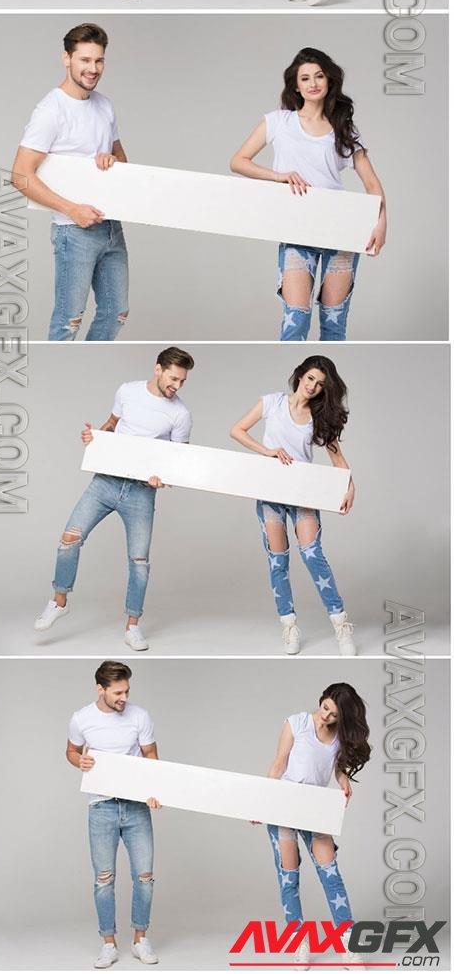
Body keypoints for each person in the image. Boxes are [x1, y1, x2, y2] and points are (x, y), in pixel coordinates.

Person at [35, 347, 194, 651]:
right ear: (158, 369)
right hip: (105, 483)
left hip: (140, 492)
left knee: (139, 561)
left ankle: (133, 626)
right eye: (174, 378)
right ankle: (59, 601)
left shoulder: (180, 414)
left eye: (182, 381)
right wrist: (95, 435)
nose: (177, 385)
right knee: (69, 539)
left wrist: (164, 479)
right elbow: (110, 424)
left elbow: (178, 461)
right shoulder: (127, 391)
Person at [230, 44, 386, 341]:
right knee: (295, 324)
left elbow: (373, 185)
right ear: (296, 86)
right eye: (305, 78)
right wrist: (278, 176)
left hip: (342, 229)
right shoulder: (277, 122)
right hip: (296, 228)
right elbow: (238, 161)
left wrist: (382, 223)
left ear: (329, 82)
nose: (313, 83)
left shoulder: (344, 128)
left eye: (319, 76)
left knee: (334, 326)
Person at [11, 21, 129, 341]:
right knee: (69, 320)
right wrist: (72, 209)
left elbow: (123, 161)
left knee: (116, 313)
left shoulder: (105, 105)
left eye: (99, 60)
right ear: (67, 58)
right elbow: (20, 175)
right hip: (73, 231)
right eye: (85, 60)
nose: (93, 69)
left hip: (110, 225)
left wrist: (111, 160)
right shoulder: (51, 110)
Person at [231, 356, 356, 654]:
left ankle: (341, 626)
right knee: (278, 562)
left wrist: (350, 486)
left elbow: (338, 460)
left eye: (320, 384)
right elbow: (237, 430)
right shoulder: (272, 403)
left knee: (312, 555)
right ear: (300, 375)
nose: (313, 387)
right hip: (271, 493)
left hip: (303, 494)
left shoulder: (319, 416)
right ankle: (289, 626)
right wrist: (268, 451)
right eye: (310, 378)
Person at [262, 684, 371, 964]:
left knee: (331, 875)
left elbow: (336, 766)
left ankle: (348, 943)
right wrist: (260, 802)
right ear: (322, 699)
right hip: (285, 805)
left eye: (334, 715)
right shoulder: (296, 723)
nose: (327, 717)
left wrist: (345, 783)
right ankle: (299, 941)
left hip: (316, 808)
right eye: (326, 709)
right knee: (289, 877)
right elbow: (279, 763)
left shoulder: (337, 736)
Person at [66, 658, 160, 969]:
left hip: (136, 807)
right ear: (101, 689)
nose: (124, 698)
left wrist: (156, 790)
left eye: (127, 692)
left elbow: (151, 757)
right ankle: (108, 943)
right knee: (104, 880)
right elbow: (71, 749)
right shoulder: (81, 718)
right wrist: (78, 761)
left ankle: (140, 940)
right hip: (101, 808)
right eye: (118, 692)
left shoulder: (140, 716)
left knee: (144, 877)